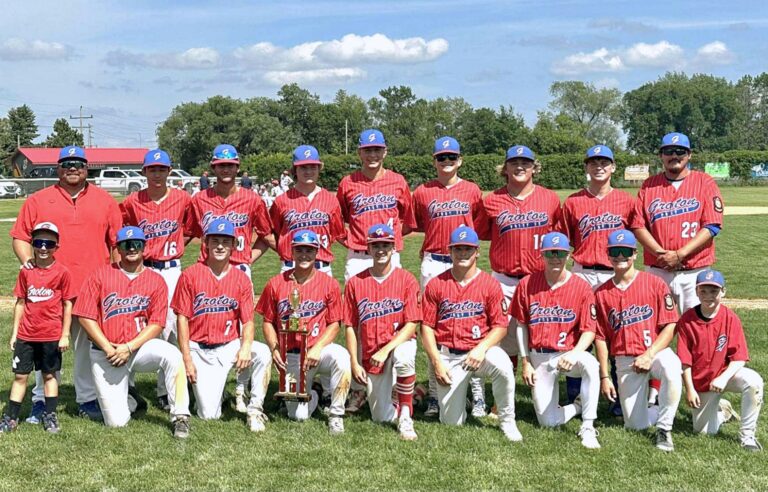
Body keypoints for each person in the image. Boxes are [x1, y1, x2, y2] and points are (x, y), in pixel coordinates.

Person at [10, 145, 122, 423]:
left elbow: (116, 243)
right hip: (48, 290)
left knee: (86, 347)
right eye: (67, 163)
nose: (73, 168)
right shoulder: (38, 200)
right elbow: (21, 237)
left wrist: (115, 277)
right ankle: (40, 399)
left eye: (79, 163)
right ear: (58, 168)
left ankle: (86, 398)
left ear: (87, 168)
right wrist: (28, 264)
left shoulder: (105, 200)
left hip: (91, 287)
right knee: (44, 344)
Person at [73, 226, 191, 438]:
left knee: (173, 355)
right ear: (118, 248)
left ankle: (180, 416)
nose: (132, 249)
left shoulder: (156, 280)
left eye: (136, 244)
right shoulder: (100, 274)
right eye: (126, 245)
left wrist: (128, 347)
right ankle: (132, 398)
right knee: (117, 424)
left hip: (139, 348)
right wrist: (109, 348)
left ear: (144, 247)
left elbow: (157, 323)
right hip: (105, 353)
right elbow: (85, 316)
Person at [474, 145, 562, 415]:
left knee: (545, 336)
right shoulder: (491, 201)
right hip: (503, 279)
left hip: (539, 279)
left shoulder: (550, 199)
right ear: (506, 167)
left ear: (535, 167)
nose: (520, 166)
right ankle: (501, 401)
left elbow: (558, 238)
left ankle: (551, 395)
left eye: (526, 162)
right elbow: (481, 232)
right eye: (514, 162)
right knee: (503, 341)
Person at [336, 129, 417, 414]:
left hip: (388, 254)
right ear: (360, 153)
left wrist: (392, 241)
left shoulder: (398, 181)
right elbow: (340, 219)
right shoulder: (348, 183)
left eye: (377, 150)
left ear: (385, 152)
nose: (372, 155)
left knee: (394, 317)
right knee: (360, 321)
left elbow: (408, 220)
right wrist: (355, 241)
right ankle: (359, 387)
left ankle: (397, 383)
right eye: (367, 150)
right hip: (358, 255)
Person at [421, 225, 522, 441]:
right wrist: (437, 362)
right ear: (450, 252)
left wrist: (481, 349)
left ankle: (507, 420)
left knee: (504, 366)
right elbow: (427, 328)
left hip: (481, 352)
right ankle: (461, 400)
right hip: (450, 355)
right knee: (451, 422)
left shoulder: (490, 284)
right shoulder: (436, 284)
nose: (462, 253)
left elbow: (500, 326)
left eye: (467, 249)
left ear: (477, 251)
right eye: (458, 249)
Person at [172, 219, 272, 431]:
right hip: (198, 347)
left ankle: (255, 409)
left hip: (228, 346)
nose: (219, 246)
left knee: (261, 352)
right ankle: (216, 393)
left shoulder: (241, 278)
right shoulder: (190, 275)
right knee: (209, 415)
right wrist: (187, 359)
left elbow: (247, 321)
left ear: (234, 246)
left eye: (225, 242)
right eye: (214, 241)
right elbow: (182, 319)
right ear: (205, 244)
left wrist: (245, 347)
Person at [560, 145, 637, 408]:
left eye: (604, 162)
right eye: (593, 162)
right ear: (587, 167)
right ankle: (576, 394)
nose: (599, 166)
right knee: (576, 331)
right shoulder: (572, 201)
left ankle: (618, 393)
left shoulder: (627, 201)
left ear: (613, 167)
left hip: (615, 272)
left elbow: (635, 237)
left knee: (618, 329)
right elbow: (564, 239)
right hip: (582, 272)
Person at [412, 136, 482, 417]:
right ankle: (432, 393)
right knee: (432, 327)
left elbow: (477, 227)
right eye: (442, 158)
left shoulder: (473, 191)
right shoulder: (422, 192)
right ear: (434, 161)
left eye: (452, 157)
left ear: (460, 160)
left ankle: (476, 393)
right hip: (434, 261)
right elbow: (418, 224)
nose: (447, 162)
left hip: (464, 261)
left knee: (471, 322)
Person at [594, 229, 682, 452]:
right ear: (608, 254)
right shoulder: (601, 294)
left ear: (635, 254)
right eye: (615, 251)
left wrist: (650, 354)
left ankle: (664, 429)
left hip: (655, 351)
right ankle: (656, 408)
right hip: (625, 359)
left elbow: (671, 325)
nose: (620, 256)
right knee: (635, 425)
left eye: (625, 251)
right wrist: (605, 375)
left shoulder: (655, 283)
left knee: (672, 367)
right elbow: (601, 337)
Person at [511, 232, 601, 449]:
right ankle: (578, 406)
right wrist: (526, 362)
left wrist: (576, 353)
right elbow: (521, 325)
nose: (555, 258)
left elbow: (589, 330)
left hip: (568, 353)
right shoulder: (526, 284)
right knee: (547, 422)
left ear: (568, 255)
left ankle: (588, 426)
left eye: (560, 253)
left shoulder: (581, 286)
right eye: (550, 253)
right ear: (541, 254)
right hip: (539, 356)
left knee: (591, 364)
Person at [257, 230, 351, 435]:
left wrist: (318, 348)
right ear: (292, 251)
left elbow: (335, 323)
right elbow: (267, 321)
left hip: (318, 351)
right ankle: (313, 395)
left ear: (317, 252)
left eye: (309, 250)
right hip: (291, 354)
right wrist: (274, 348)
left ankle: (336, 414)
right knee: (297, 416)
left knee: (342, 357)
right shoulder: (276, 283)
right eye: (300, 250)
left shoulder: (329, 284)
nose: (304, 255)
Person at [121, 149, 191, 410]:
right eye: (152, 169)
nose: (157, 174)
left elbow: (192, 228)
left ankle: (165, 389)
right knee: (132, 323)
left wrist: (171, 247)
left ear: (169, 172)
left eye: (162, 169)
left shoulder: (183, 199)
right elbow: (123, 232)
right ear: (145, 172)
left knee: (171, 327)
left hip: (172, 269)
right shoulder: (132, 202)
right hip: (141, 268)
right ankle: (127, 385)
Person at [630, 132, 724, 314]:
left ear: (689, 155)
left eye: (680, 151)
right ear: (661, 156)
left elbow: (712, 225)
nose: (674, 156)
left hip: (695, 271)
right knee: (653, 326)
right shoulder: (649, 185)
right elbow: (637, 225)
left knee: (696, 328)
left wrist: (680, 255)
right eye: (669, 151)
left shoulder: (704, 182)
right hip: (658, 270)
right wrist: (663, 255)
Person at [344, 224, 421, 440]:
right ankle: (415, 393)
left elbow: (412, 325)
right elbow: (350, 326)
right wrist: (355, 362)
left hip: (396, 345)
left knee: (405, 357)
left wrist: (386, 350)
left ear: (393, 248)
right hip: (371, 353)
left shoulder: (407, 279)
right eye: (376, 245)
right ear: (368, 248)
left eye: (386, 245)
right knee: (381, 418)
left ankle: (406, 416)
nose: (381, 250)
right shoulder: (356, 283)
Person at [677, 270, 763, 452]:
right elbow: (684, 361)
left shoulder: (730, 318)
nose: (709, 296)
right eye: (703, 291)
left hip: (725, 375)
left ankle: (747, 436)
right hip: (701, 382)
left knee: (754, 381)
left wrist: (723, 378)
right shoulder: (687, 320)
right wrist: (690, 389)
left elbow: (739, 358)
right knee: (704, 432)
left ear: (723, 291)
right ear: (696, 291)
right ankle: (724, 412)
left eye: (714, 291)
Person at [0, 223, 74, 434]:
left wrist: (64, 334)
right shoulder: (26, 272)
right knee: (20, 377)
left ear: (56, 246)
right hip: (27, 335)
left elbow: (68, 304)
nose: (43, 248)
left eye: (49, 244)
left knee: (49, 375)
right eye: (39, 243)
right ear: (32, 244)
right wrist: (15, 333)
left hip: (50, 335)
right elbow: (21, 303)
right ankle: (10, 417)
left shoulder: (62, 272)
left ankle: (49, 415)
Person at [270, 145, 346, 276]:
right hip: (290, 267)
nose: (308, 171)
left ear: (319, 168)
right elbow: (272, 232)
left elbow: (336, 233)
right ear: (295, 170)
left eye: (313, 166)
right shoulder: (282, 201)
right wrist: (284, 248)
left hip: (322, 268)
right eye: (303, 167)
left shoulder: (330, 200)